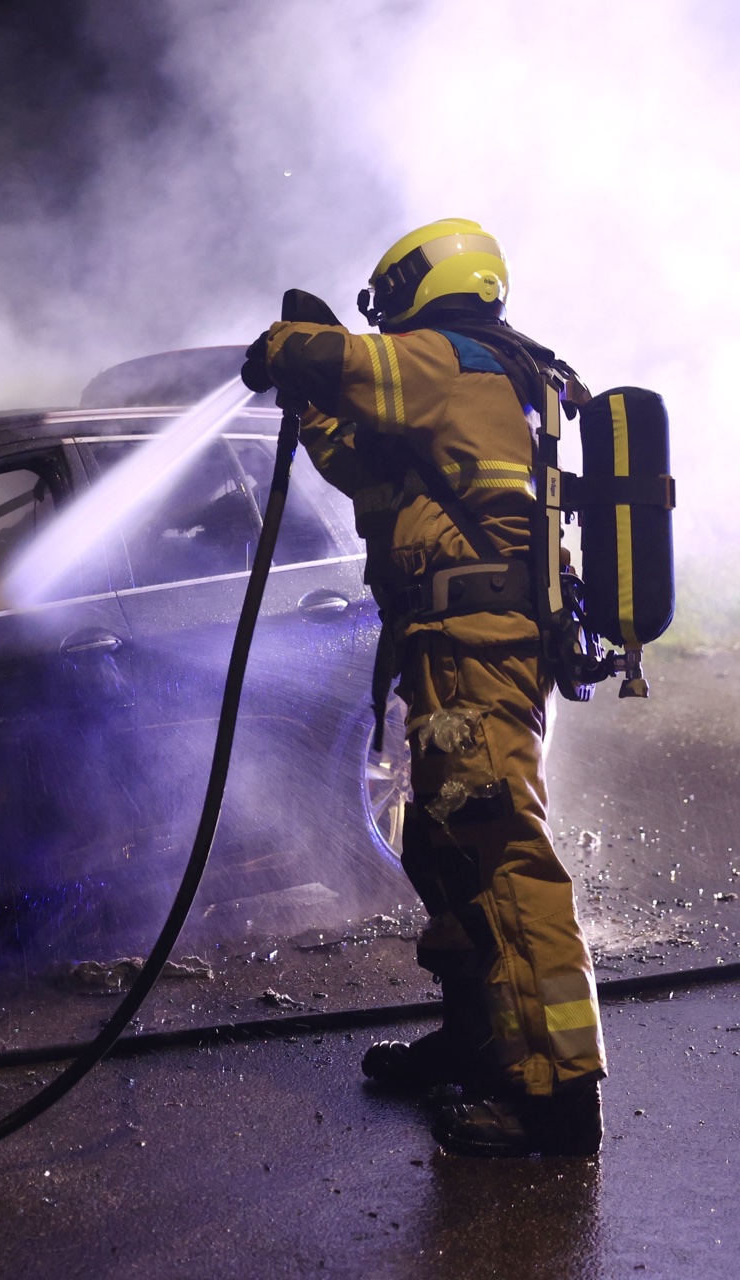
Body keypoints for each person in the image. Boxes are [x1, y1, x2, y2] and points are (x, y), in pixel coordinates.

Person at [240, 218, 604, 1157]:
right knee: (445, 848)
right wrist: (313, 406)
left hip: (476, 647)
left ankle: (558, 1095)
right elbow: (369, 471)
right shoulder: (484, 381)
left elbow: (353, 360)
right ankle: (482, 1045)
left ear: (424, 279)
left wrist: (291, 348)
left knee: (500, 856)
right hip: (453, 646)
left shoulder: (454, 360)